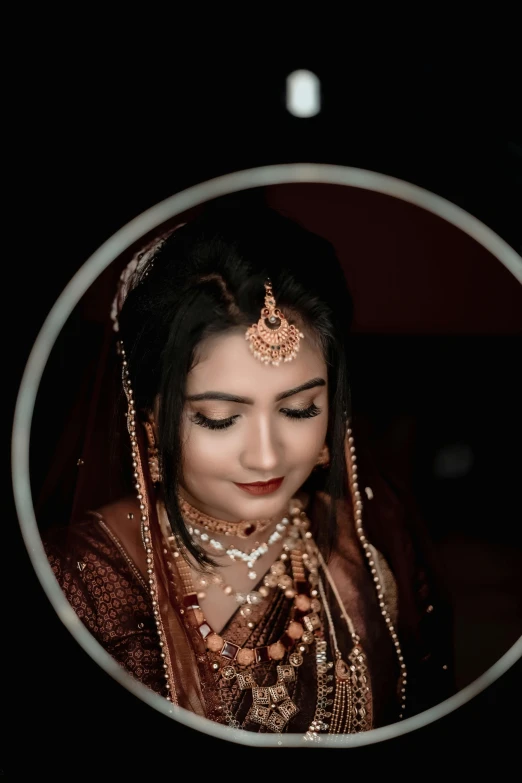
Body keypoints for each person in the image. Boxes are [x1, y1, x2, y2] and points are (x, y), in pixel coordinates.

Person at [41, 205, 455, 736]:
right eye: (218, 418)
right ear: (147, 418)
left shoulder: (370, 545)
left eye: (300, 410)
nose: (266, 456)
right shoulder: (83, 581)